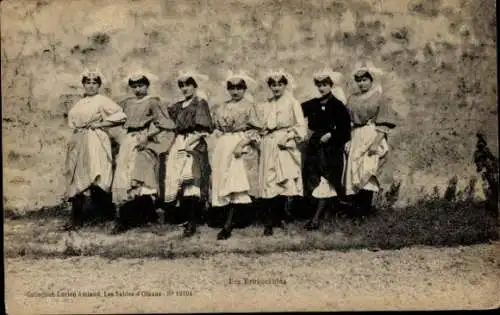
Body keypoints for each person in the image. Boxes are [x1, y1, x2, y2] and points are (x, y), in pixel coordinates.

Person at [111, 71, 175, 233]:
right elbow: (118, 120)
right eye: (135, 87)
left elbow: (165, 123)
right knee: (123, 173)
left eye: (141, 86)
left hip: (144, 138)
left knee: (138, 173)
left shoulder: (153, 102)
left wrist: (147, 136)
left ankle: (140, 215)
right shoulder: (127, 103)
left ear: (147, 86)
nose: (138, 90)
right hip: (129, 139)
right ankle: (128, 216)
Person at [64, 69, 127, 230]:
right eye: (88, 82)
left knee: (97, 173)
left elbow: (121, 115)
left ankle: (105, 216)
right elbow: (72, 121)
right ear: (83, 84)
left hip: (95, 139)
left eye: (94, 83)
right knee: (77, 175)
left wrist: (100, 124)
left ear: (99, 85)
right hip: (79, 140)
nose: (91, 86)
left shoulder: (102, 100)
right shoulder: (80, 103)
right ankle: (76, 219)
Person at [254, 70, 308, 236]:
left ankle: (281, 216)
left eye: (279, 84)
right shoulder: (267, 104)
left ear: (285, 85)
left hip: (284, 143)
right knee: (269, 181)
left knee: (283, 181)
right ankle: (269, 221)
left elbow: (300, 126)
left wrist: (288, 136)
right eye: (273, 85)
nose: (276, 88)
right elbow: (260, 125)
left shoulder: (292, 102)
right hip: (269, 143)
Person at [344, 61, 398, 217]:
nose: (362, 83)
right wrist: (348, 140)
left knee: (367, 172)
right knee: (354, 172)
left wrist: (376, 143)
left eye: (365, 80)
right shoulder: (352, 99)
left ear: (371, 80)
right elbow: (347, 122)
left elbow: (384, 121)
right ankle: (355, 212)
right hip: (356, 136)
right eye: (359, 81)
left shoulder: (379, 97)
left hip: (372, 135)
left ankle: (364, 212)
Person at [210, 71, 261, 240]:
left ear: (244, 89)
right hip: (224, 145)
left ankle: (229, 224)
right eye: (232, 88)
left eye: (239, 88)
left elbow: (255, 129)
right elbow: (216, 126)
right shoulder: (222, 106)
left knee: (235, 182)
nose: (235, 92)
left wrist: (242, 144)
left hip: (240, 144)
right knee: (222, 179)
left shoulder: (249, 106)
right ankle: (224, 217)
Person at [164, 70, 214, 237]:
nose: (185, 88)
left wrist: (189, 143)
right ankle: (184, 217)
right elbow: (167, 121)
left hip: (194, 142)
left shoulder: (200, 103)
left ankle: (192, 222)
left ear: (195, 86)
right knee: (177, 178)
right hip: (178, 141)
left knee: (191, 180)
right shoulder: (177, 106)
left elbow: (203, 128)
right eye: (182, 85)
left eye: (188, 85)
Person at [301, 69, 351, 230]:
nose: (322, 88)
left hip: (331, 147)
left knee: (327, 178)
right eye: (319, 85)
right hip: (315, 145)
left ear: (331, 85)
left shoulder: (338, 105)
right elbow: (295, 111)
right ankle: (320, 213)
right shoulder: (313, 104)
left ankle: (316, 219)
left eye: (325, 85)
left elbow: (345, 130)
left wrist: (331, 134)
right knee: (313, 177)